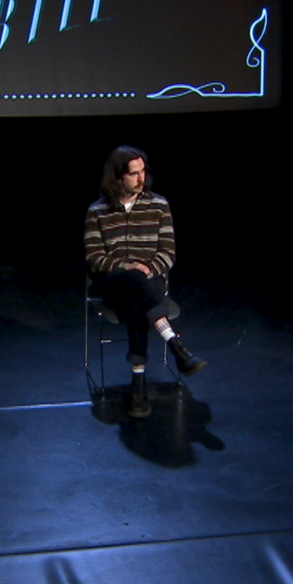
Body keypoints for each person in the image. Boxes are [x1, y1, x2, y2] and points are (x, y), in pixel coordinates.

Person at [85, 146, 207, 418]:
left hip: (150, 282)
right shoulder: (98, 211)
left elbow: (168, 252)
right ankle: (175, 346)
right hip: (113, 283)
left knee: (137, 295)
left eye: (143, 172)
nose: (141, 179)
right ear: (117, 177)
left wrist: (147, 269)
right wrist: (127, 268)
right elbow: (94, 257)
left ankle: (138, 384)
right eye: (133, 174)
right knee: (132, 281)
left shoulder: (159, 206)